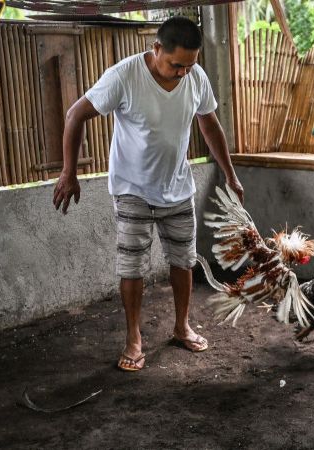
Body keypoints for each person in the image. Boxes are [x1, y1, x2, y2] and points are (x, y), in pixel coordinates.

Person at [52, 16, 244, 372]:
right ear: (157, 49)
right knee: (132, 266)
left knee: (184, 261)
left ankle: (182, 326)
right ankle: (133, 338)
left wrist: (230, 173)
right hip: (132, 190)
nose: (183, 72)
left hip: (177, 188)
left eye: (190, 65)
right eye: (176, 64)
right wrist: (69, 172)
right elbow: (74, 114)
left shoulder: (194, 76)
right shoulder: (124, 76)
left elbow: (209, 123)